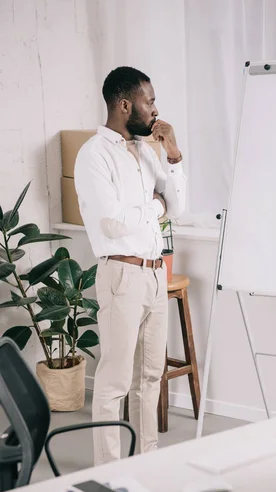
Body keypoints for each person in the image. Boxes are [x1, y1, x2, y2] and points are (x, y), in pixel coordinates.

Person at [74, 66, 186, 464]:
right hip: (122, 276)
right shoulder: (93, 155)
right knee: (115, 380)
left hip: (157, 275)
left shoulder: (146, 150)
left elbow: (180, 204)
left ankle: (147, 462)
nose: (155, 109)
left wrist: (172, 154)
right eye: (149, 101)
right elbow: (113, 221)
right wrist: (158, 206)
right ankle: (110, 470)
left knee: (150, 377)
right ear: (125, 105)